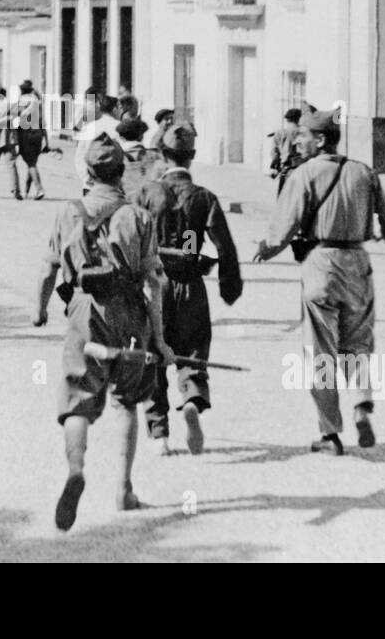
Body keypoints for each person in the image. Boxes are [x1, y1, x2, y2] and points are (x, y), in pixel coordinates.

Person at [34, 134, 173, 530]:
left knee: (78, 399)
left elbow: (47, 269)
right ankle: (124, 489)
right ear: (120, 172)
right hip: (129, 311)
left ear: (89, 172)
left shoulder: (68, 212)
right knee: (127, 400)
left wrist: (39, 309)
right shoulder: (138, 216)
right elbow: (154, 282)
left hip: (83, 312)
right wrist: (160, 339)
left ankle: (76, 469)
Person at [256, 111, 385, 454]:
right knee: (359, 344)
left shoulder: (303, 174)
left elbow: (284, 227)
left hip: (321, 263)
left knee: (320, 352)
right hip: (358, 264)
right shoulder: (364, 172)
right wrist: (378, 230)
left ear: (321, 140)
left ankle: (330, 433)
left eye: (302, 136)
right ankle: (362, 403)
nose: (296, 141)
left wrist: (267, 248)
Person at [135, 124, 242, 455]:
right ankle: (192, 397)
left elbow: (128, 236)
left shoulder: (146, 194)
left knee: (152, 354)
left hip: (154, 285)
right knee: (193, 349)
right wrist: (229, 286)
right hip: (190, 287)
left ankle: (159, 434)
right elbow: (225, 247)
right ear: (192, 157)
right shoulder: (203, 198)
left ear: (163, 156)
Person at [74, 94, 122, 190]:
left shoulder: (88, 127)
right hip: (113, 185)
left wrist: (85, 177)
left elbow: (79, 156)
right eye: (119, 108)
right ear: (114, 109)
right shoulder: (119, 127)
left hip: (90, 183)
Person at [15, 79, 49, 200]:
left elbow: (16, 119)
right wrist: (47, 141)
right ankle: (26, 191)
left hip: (25, 135)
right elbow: (42, 122)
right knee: (32, 162)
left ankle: (39, 189)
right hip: (38, 134)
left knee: (31, 163)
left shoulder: (20, 101)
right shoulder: (37, 102)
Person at [269, 108, 304, 196]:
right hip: (302, 169)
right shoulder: (304, 132)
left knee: (284, 200)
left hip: (286, 169)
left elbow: (275, 153)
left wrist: (275, 168)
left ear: (287, 119)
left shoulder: (280, 133)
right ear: (299, 118)